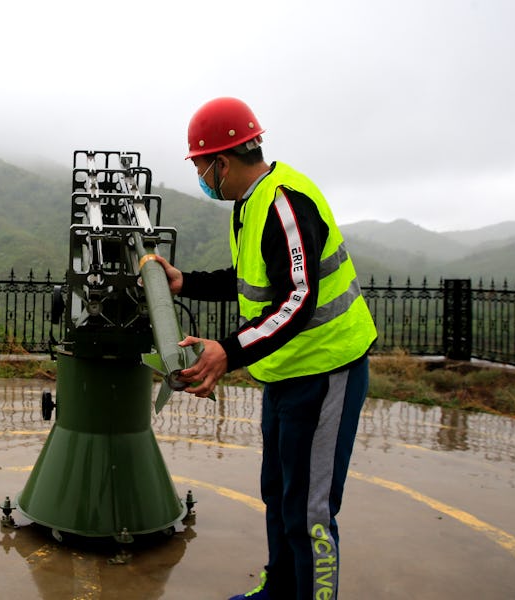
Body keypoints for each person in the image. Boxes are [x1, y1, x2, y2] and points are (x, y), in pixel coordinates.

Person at [157, 97, 378, 600]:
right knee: (280, 497)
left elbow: (297, 298)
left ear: (222, 162)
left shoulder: (283, 201)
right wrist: (184, 281)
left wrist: (227, 352)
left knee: (311, 514)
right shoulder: (250, 202)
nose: (199, 175)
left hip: (325, 372)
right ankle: (278, 592)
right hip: (284, 374)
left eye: (198, 165)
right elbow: (251, 280)